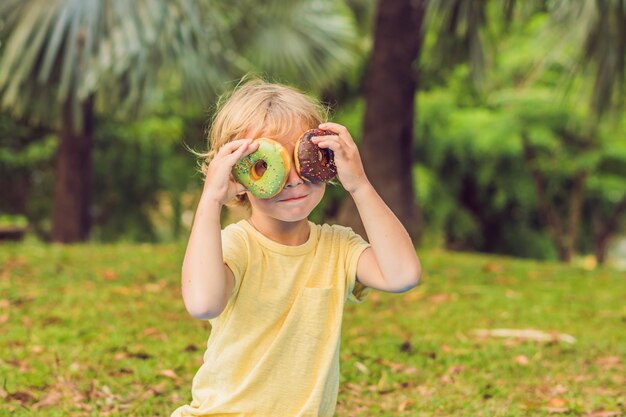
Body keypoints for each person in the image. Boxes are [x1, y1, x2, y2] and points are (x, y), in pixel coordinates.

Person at [172, 78, 421, 417]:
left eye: (304, 158)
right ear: (239, 179)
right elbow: (202, 303)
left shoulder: (338, 247)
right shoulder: (238, 245)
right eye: (267, 164)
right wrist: (211, 198)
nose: (293, 179)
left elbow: (403, 275)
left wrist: (359, 184)